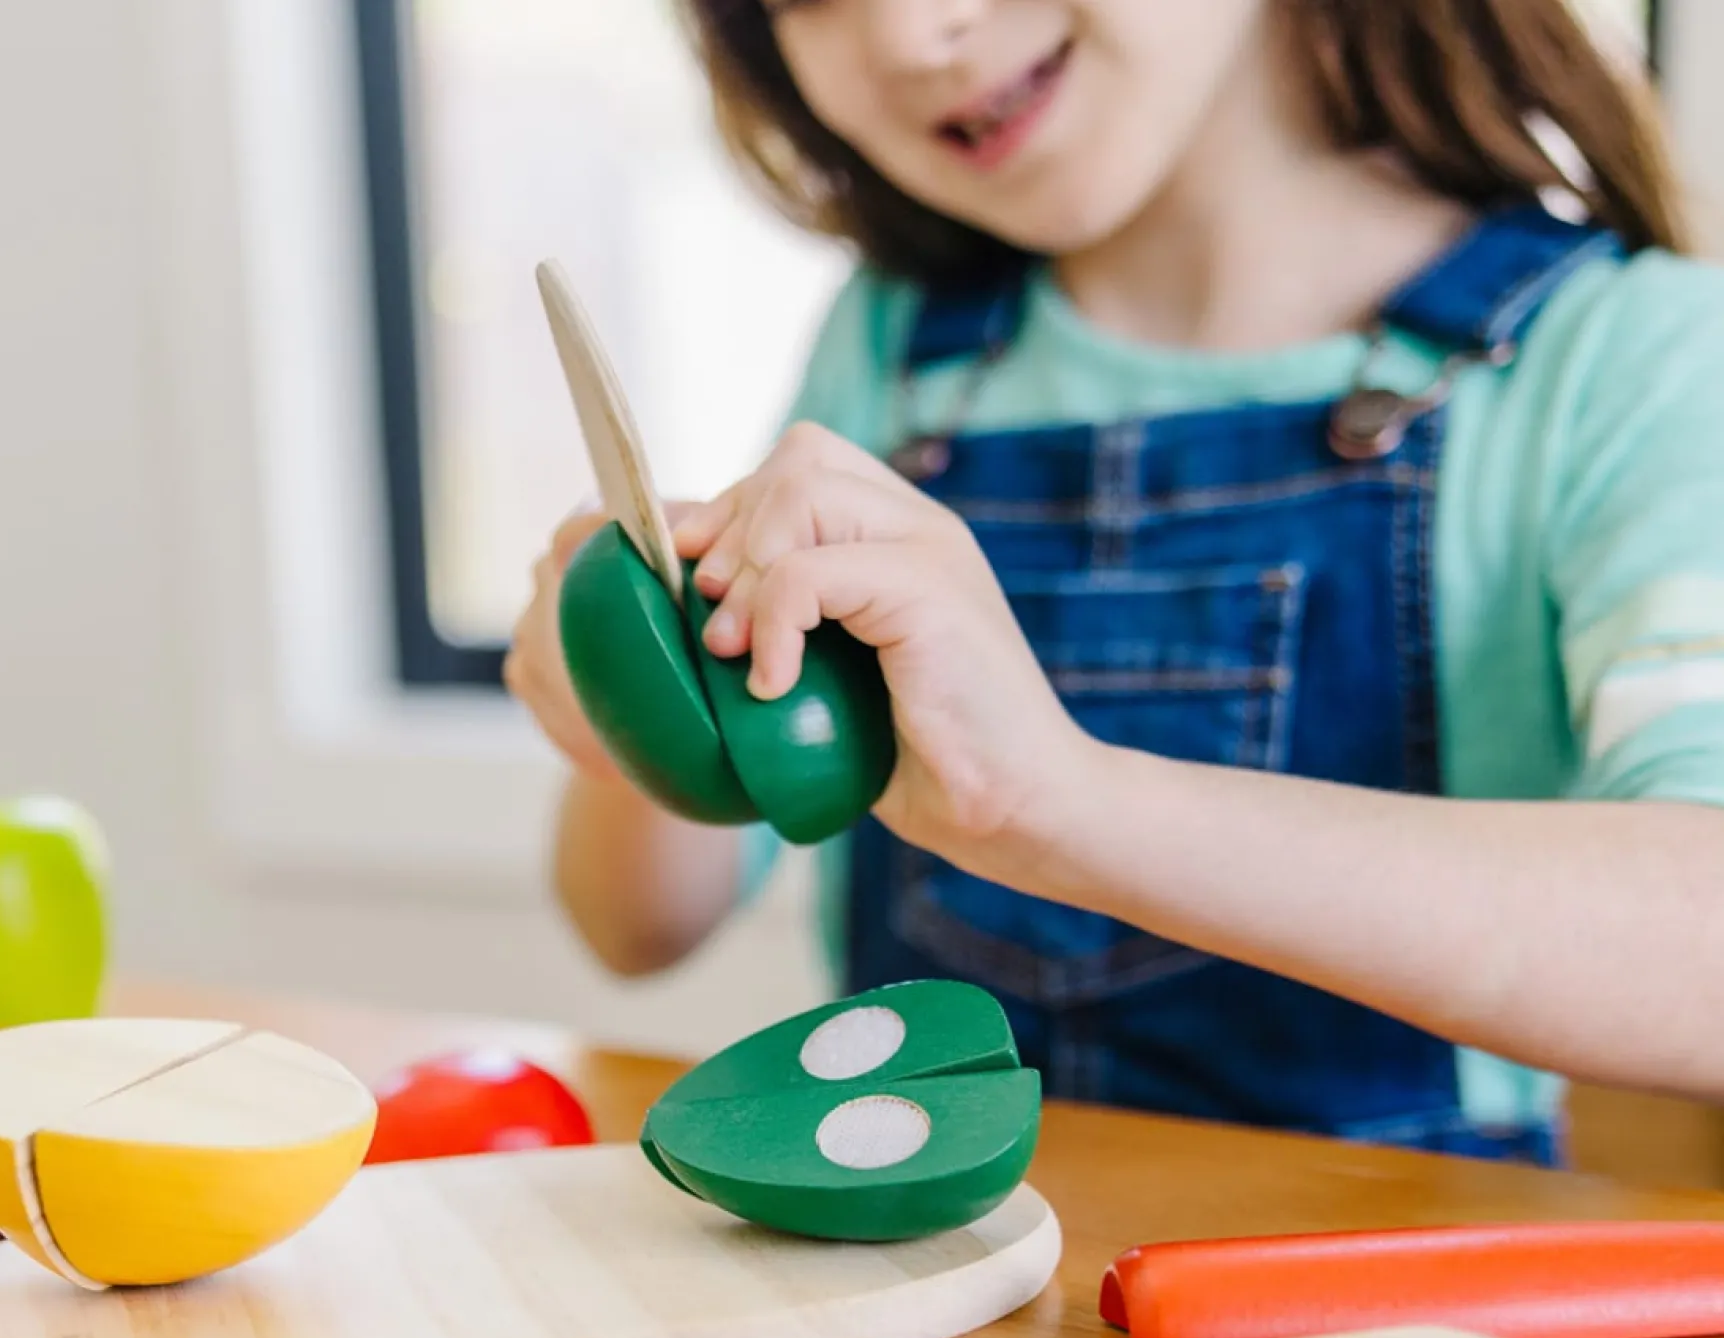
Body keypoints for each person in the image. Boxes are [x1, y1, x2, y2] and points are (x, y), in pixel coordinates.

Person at [505, 0, 1724, 1164]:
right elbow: (637, 927)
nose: (909, 37)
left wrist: (1067, 805)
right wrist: (638, 709)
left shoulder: (1623, 357)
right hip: (941, 1293)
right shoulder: (892, 352)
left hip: (1390, 1323)